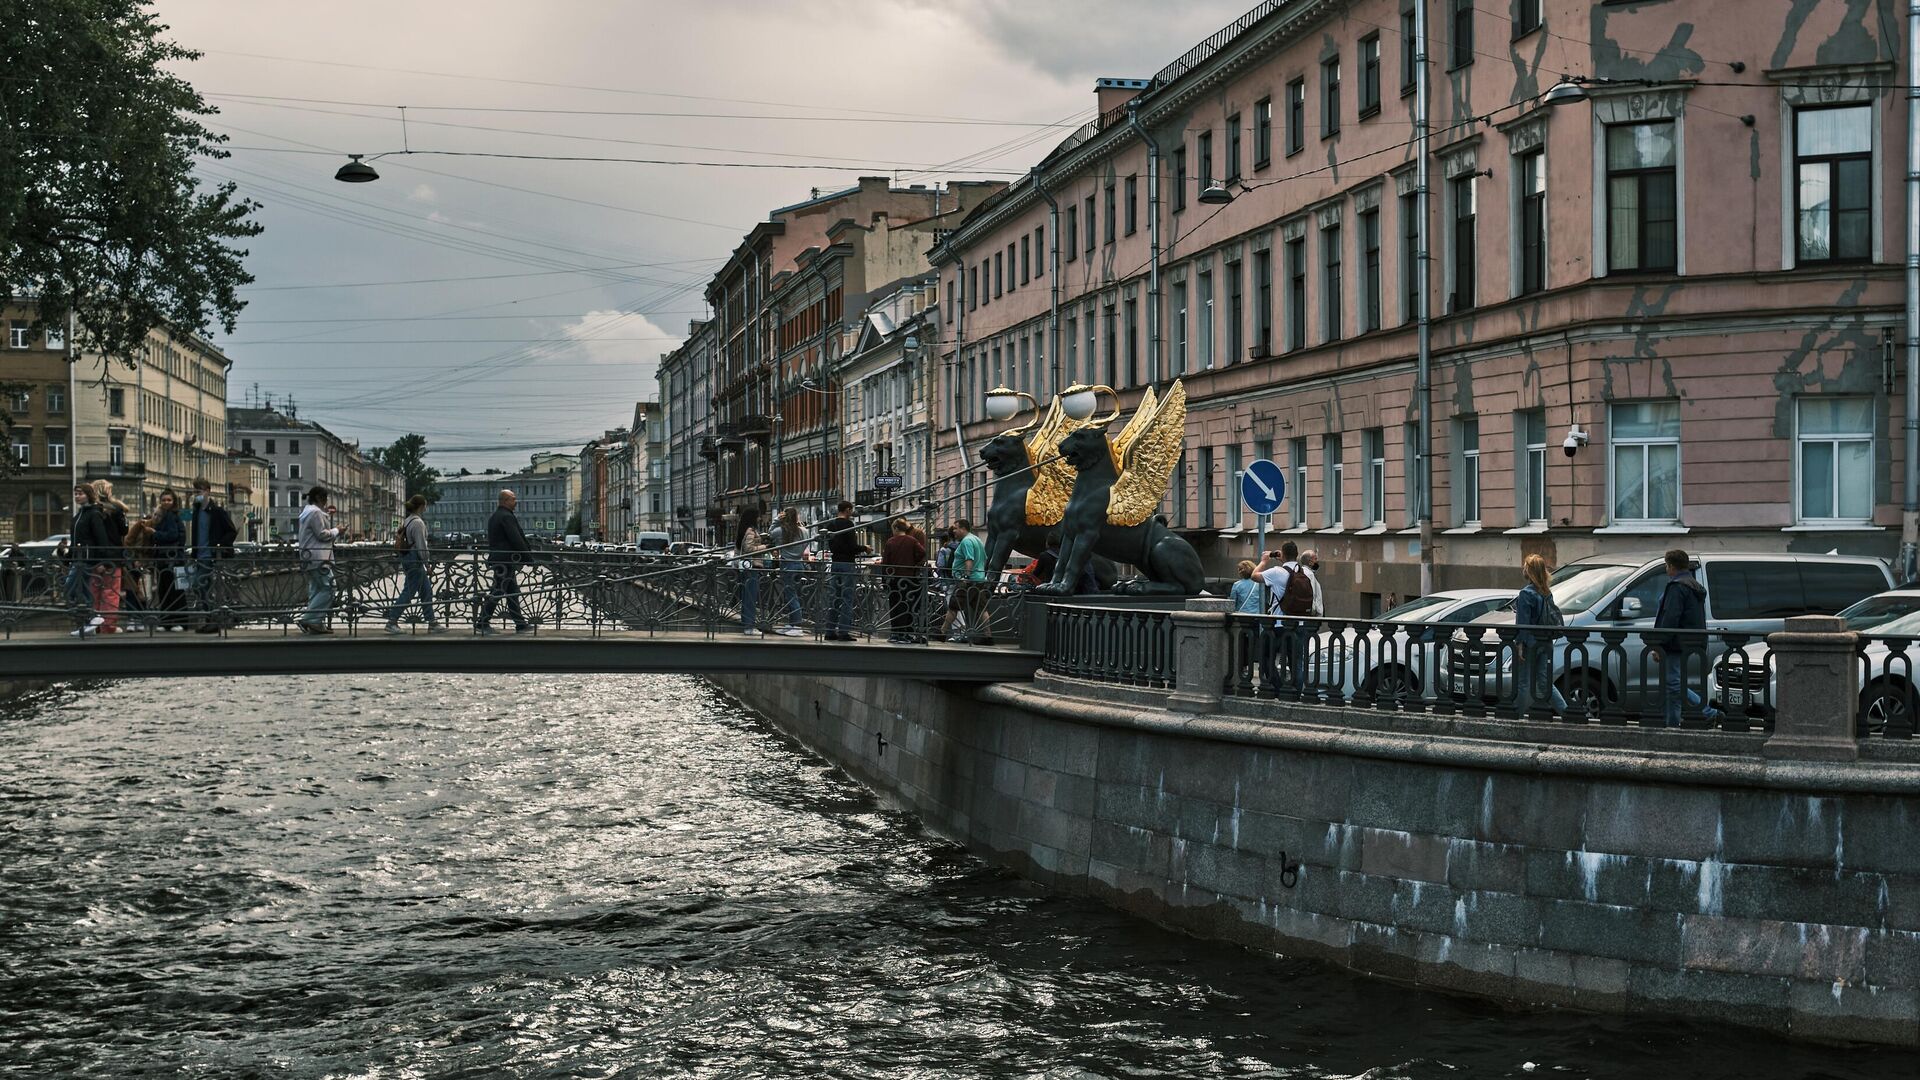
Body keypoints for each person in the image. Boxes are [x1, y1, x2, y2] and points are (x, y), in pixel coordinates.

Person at [1653, 548, 1723, 728]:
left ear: (1670, 566)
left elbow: (1671, 617)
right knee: (1673, 684)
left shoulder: (1677, 586)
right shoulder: (1693, 584)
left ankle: (1709, 712)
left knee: (1673, 684)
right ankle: (1672, 723)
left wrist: (1659, 643)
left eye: (1667, 565)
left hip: (1675, 642)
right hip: (1689, 640)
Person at [1512, 553, 1569, 716]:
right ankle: (1566, 712)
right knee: (1544, 682)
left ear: (1529, 572)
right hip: (1545, 643)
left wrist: (1520, 645)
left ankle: (1516, 718)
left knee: (1523, 682)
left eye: (1525, 567)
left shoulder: (1526, 594)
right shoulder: (1546, 592)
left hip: (1530, 643)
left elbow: (1523, 623)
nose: (1523, 569)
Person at [1256, 542, 1314, 694]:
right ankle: (1295, 693)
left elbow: (1254, 576)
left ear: (1282, 553)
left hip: (1279, 625)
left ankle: (1278, 688)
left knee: (1266, 657)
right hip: (1300, 624)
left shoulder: (1276, 572)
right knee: (1297, 662)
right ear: (1297, 554)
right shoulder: (1306, 573)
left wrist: (1264, 560)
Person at [384, 495, 446, 635]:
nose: (426, 507)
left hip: (408, 559)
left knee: (426, 591)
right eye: (425, 505)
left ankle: (432, 623)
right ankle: (391, 621)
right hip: (415, 560)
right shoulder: (418, 523)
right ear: (422, 506)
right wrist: (427, 564)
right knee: (409, 592)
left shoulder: (407, 520)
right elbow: (421, 546)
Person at [184, 477, 238, 634]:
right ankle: (211, 619)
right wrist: (194, 553)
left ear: (208, 491)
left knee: (200, 585)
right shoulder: (196, 511)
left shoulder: (217, 511)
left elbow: (231, 531)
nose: (196, 494)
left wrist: (219, 546)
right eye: (195, 491)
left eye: (199, 491)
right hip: (199, 556)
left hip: (210, 556)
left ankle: (213, 618)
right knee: (203, 587)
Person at [477, 488, 533, 635]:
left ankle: (520, 624)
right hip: (505, 560)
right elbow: (516, 539)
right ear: (505, 501)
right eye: (513, 499)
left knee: (512, 592)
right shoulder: (506, 516)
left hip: (501, 559)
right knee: (498, 590)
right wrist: (528, 558)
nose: (516, 501)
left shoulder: (496, 516)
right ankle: (482, 621)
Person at [817, 501, 868, 642]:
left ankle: (829, 631)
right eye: (851, 510)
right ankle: (843, 632)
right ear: (847, 510)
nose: (852, 513)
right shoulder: (848, 525)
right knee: (847, 598)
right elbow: (852, 547)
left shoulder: (831, 525)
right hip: (847, 564)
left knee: (834, 597)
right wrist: (864, 548)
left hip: (835, 564)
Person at [296, 485, 344, 635]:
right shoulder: (316, 513)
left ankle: (316, 623)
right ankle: (310, 619)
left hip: (309, 556)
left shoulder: (306, 512)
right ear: (318, 498)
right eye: (324, 498)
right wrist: (337, 530)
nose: (325, 501)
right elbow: (322, 534)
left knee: (317, 590)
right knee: (330, 588)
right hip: (318, 557)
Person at [67, 483, 110, 637]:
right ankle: (88, 622)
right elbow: (74, 540)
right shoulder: (78, 515)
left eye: (80, 493)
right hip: (77, 559)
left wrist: (101, 562)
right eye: (75, 493)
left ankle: (91, 617)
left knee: (70, 587)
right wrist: (67, 557)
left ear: (88, 495)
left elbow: (101, 539)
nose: (77, 496)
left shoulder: (94, 514)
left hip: (87, 559)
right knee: (82, 589)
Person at [939, 519, 992, 645]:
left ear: (963, 528)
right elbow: (984, 558)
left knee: (953, 606)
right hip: (978, 579)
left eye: (956, 528)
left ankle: (941, 634)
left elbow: (969, 559)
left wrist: (965, 576)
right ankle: (988, 637)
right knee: (981, 609)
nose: (954, 531)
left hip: (968, 581)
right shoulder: (976, 539)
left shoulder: (967, 541)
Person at [89, 480, 129, 633]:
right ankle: (108, 625)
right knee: (111, 592)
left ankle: (94, 625)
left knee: (94, 592)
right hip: (112, 556)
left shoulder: (91, 510)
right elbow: (124, 531)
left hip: (93, 557)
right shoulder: (116, 510)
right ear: (106, 491)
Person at [881, 517, 928, 644]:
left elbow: (885, 563)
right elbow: (923, 553)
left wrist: (884, 581)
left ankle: (895, 633)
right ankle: (905, 634)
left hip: (894, 579)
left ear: (896, 528)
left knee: (894, 606)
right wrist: (915, 565)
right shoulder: (912, 540)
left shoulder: (891, 542)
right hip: (909, 579)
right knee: (906, 606)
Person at [148, 489, 188, 630]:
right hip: (170, 558)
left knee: (171, 591)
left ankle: (174, 621)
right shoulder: (170, 515)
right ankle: (171, 621)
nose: (166, 502)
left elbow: (172, 535)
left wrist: (155, 534)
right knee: (169, 590)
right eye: (164, 500)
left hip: (171, 559)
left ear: (173, 502)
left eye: (169, 500)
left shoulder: (171, 516)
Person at [767, 507, 806, 636]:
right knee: (795, 594)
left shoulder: (780, 531)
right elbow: (805, 545)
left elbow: (770, 533)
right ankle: (792, 623)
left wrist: (777, 520)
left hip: (787, 564)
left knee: (790, 595)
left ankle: (797, 626)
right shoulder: (804, 531)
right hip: (799, 564)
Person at [734, 508, 766, 637]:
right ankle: (749, 626)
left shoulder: (744, 529)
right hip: (751, 566)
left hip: (746, 567)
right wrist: (765, 547)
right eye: (757, 516)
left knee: (747, 597)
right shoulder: (750, 531)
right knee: (750, 598)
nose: (759, 519)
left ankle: (747, 624)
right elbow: (749, 549)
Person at [1300, 549, 1325, 617]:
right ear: (1310, 562)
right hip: (1311, 616)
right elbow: (1312, 594)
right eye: (1315, 559)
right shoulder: (1309, 574)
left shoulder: (1303, 572)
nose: (1317, 561)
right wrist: (1314, 612)